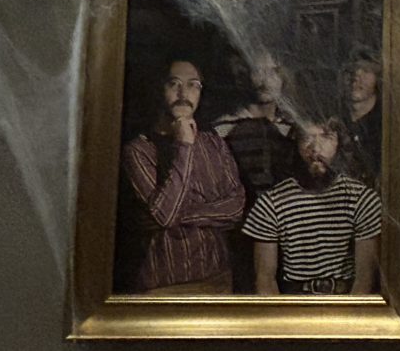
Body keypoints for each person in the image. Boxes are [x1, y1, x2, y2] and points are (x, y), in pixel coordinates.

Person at [118, 59, 245, 294]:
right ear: (160, 89)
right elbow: (167, 216)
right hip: (164, 285)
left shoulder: (213, 143)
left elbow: (236, 208)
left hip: (218, 279)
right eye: (174, 83)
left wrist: (180, 215)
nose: (183, 93)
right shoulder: (137, 151)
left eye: (193, 85)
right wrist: (184, 145)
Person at [241, 116, 381, 295]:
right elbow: (265, 280)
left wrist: (349, 320)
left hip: (344, 305)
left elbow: (365, 277)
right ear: (296, 143)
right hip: (294, 307)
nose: (315, 148)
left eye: (326, 137)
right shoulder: (271, 203)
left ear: (339, 142)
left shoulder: (362, 198)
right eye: (307, 137)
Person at [212, 49, 297, 292]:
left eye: (272, 72)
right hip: (239, 237)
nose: (264, 80)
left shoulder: (293, 129)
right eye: (257, 71)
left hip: (290, 238)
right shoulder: (223, 128)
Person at [343, 50, 382, 182]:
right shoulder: (332, 116)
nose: (356, 77)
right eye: (351, 71)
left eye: (365, 71)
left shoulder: (386, 124)